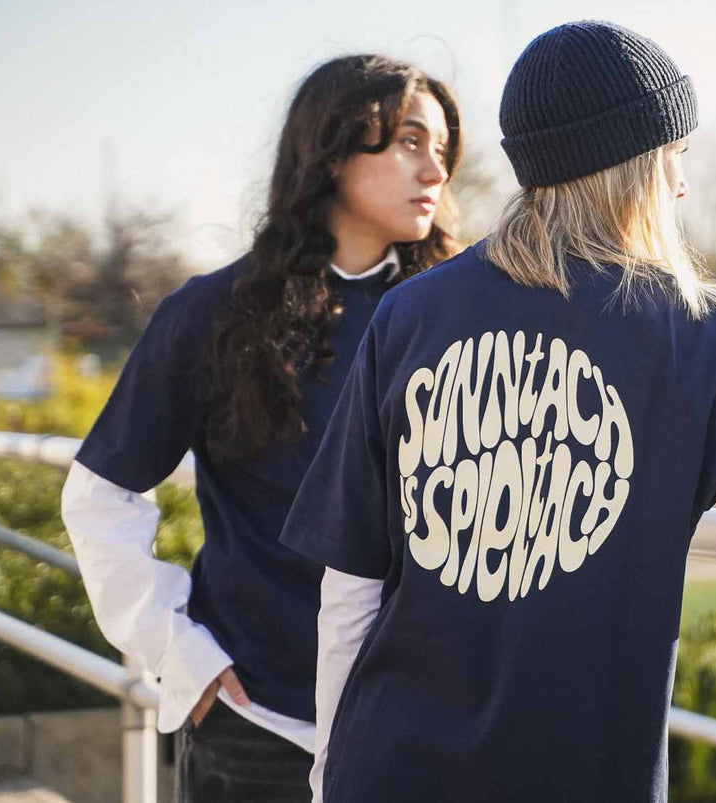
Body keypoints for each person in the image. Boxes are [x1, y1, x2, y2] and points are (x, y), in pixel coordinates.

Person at [281, 21, 716, 803]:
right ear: (633, 164)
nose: (682, 184)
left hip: (387, 767)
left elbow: (349, 585)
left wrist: (330, 772)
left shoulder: (410, 311)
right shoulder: (696, 331)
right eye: (676, 156)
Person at [60, 54, 463, 802]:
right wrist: (178, 651)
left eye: (441, 149)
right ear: (334, 147)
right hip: (258, 728)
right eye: (408, 140)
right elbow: (98, 495)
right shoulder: (216, 314)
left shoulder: (459, 319)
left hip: (418, 730)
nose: (432, 168)